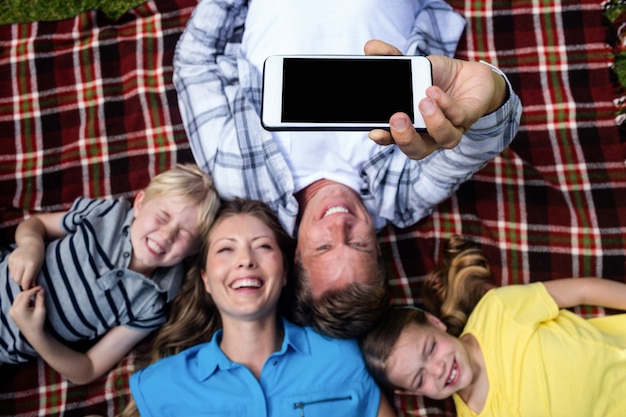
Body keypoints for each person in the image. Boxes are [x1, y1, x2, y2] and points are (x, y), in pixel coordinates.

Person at [173, 0, 524, 338]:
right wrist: (490, 93)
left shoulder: (237, 180)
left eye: (324, 248)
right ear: (376, 245)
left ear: (295, 254)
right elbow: (482, 140)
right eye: (358, 244)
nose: (340, 225)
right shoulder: (402, 196)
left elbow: (194, 64)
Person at [124, 198, 396, 417]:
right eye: (225, 249)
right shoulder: (162, 385)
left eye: (263, 246)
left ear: (286, 271)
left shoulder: (343, 356)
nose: (245, 260)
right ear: (205, 278)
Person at [0, 163, 220, 385]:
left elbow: (87, 369)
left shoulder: (151, 306)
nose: (166, 235)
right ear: (140, 203)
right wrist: (30, 245)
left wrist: (36, 334)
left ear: (194, 250)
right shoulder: (104, 214)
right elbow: (34, 224)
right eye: (163, 217)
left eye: (184, 234)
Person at [359, 235, 626, 417]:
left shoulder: (497, 311)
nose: (437, 369)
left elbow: (581, 290)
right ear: (412, 392)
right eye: (420, 378)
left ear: (435, 322)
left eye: (430, 350)